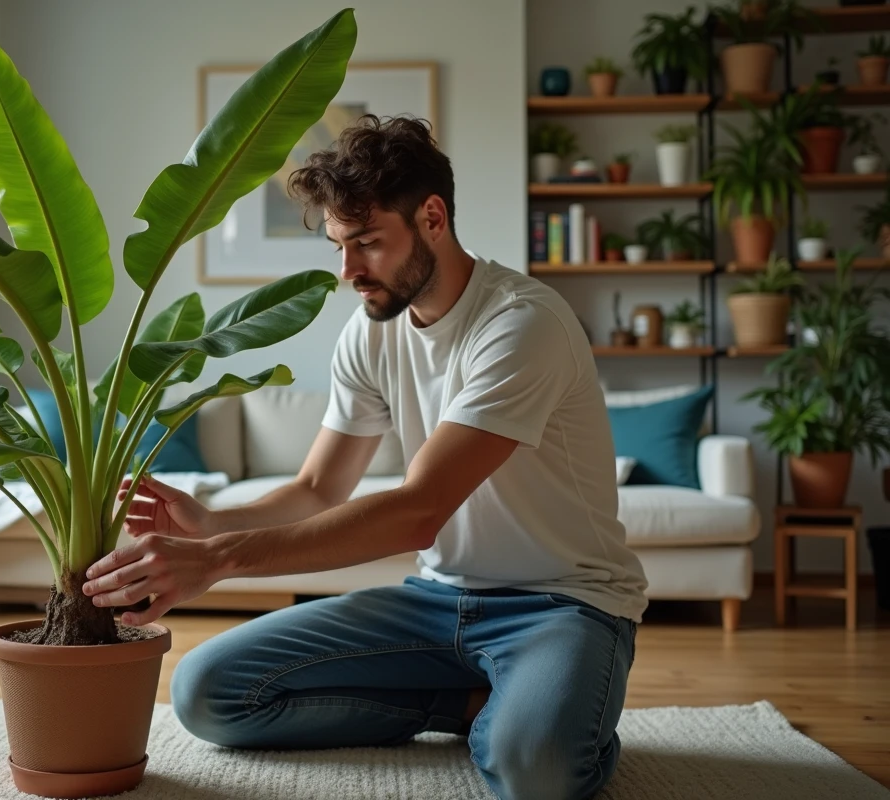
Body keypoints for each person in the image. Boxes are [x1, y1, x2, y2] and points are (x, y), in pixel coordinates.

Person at [83, 115, 648, 800]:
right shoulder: (371, 331)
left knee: (539, 771)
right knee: (211, 692)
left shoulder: (523, 323)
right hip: (438, 603)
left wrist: (220, 560)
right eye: (339, 246)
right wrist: (211, 525)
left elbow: (419, 512)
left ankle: (539, 719)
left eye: (369, 243)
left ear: (433, 218)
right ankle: (471, 707)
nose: (348, 271)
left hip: (564, 604)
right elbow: (319, 487)